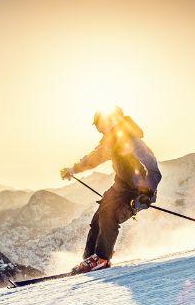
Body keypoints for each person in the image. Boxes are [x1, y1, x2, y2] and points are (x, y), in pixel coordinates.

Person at [61, 106, 162, 273]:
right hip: (119, 188)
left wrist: (146, 194)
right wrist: (72, 170)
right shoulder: (111, 143)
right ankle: (89, 258)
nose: (100, 131)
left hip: (137, 192)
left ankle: (101, 258)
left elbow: (153, 170)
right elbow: (93, 159)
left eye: (100, 126)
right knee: (97, 219)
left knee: (109, 216)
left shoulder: (132, 141)